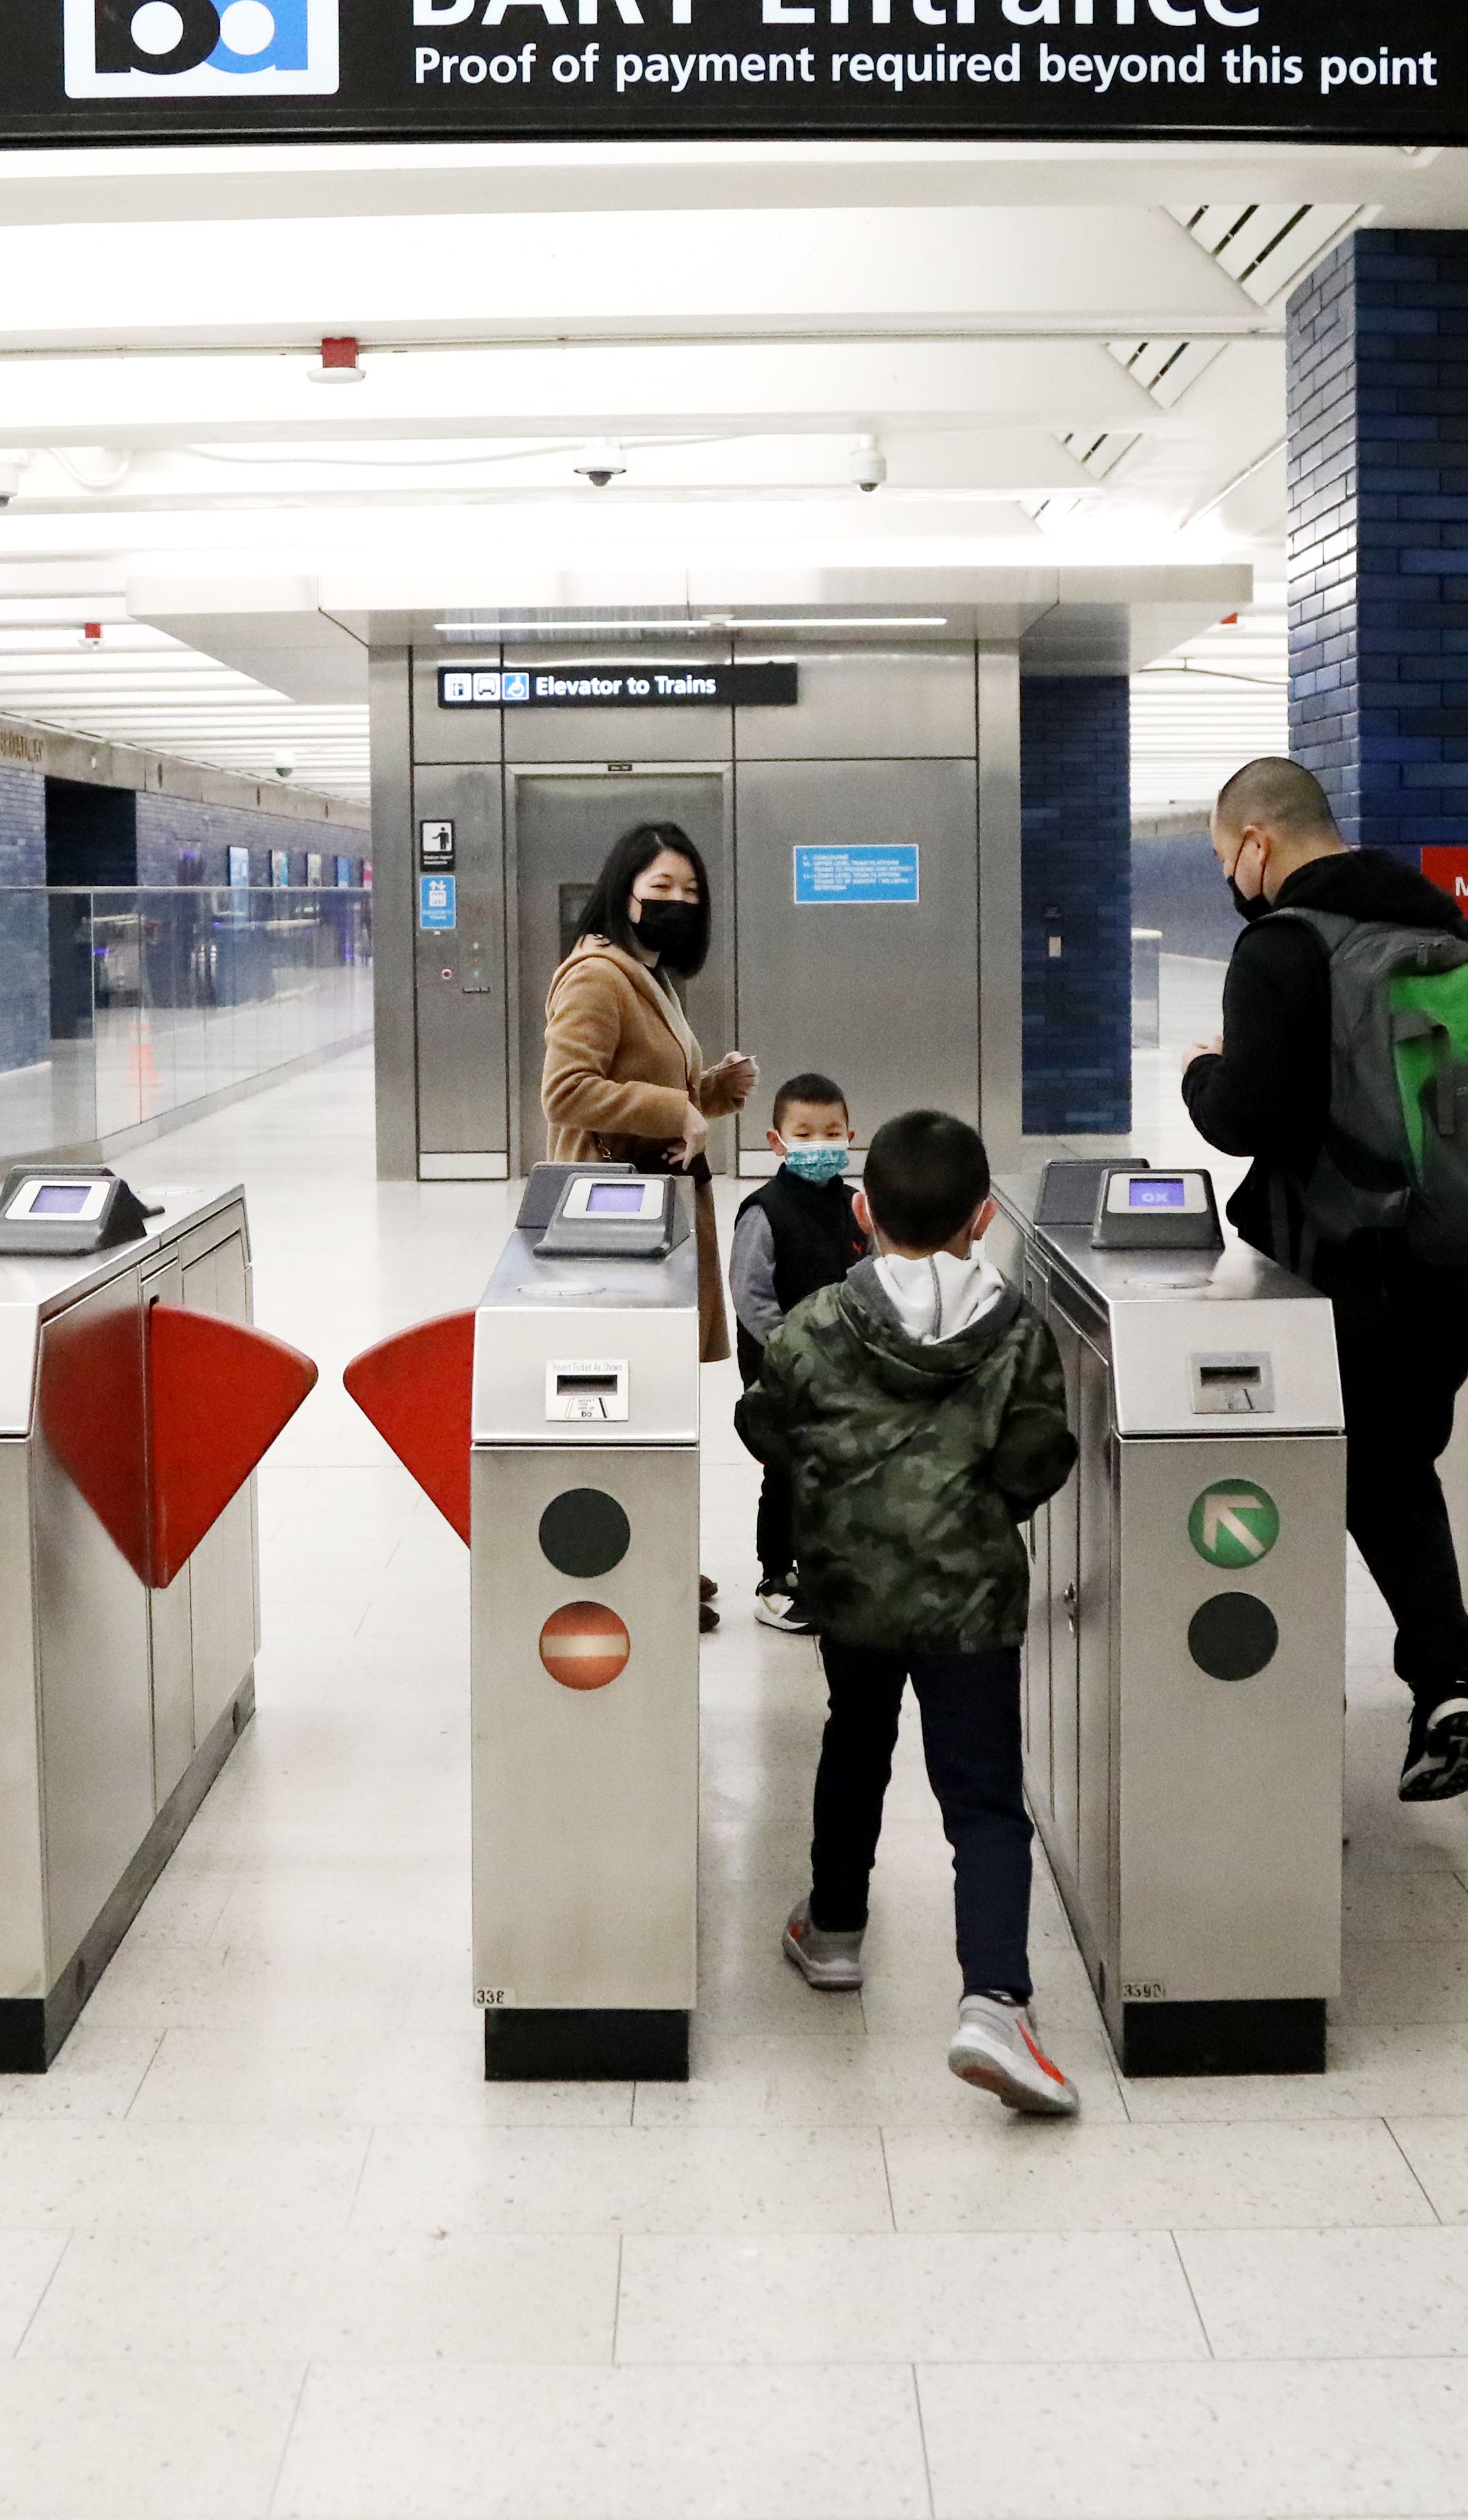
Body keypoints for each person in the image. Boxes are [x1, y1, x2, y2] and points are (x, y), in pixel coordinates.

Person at [737, 1108, 1085, 2117]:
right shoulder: (1016, 1330)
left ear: (860, 1210)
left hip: (852, 1592)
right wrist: (976, 1513)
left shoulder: (813, 1324)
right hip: (972, 1600)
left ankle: (835, 1932)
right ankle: (995, 2003)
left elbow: (766, 1426)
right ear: (984, 1220)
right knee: (982, 1800)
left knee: (855, 1744)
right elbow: (1036, 1457)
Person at [1179, 754, 1468, 1802]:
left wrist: (1200, 1073)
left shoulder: (1281, 947)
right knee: (1395, 1471)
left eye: (1229, 855)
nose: (1234, 874)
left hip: (1333, 1276)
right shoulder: (1447, 929)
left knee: (1308, 1479)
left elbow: (1245, 1118)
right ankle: (1443, 1680)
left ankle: (1280, 1697)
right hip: (1443, 1270)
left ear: (1258, 844)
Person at [539, 819, 756, 1626]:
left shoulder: (651, 976)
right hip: (615, 1226)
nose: (675, 902)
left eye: (688, 892)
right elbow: (565, 1091)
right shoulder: (597, 975)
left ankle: (659, 1557)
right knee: (625, 1396)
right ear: (623, 889)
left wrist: (709, 1092)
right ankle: (633, 1566)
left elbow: (644, 1092)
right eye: (659, 888)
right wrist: (674, 1103)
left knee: (655, 1396)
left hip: (657, 1211)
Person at [728, 1072, 866, 1636]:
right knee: (784, 1472)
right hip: (780, 1374)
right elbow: (750, 1295)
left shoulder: (858, 1205)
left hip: (846, 1367)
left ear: (851, 1136)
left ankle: (829, 1570)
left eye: (831, 1132)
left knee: (837, 1470)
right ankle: (775, 1580)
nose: (819, 1143)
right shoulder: (763, 1211)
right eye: (804, 1134)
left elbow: (873, 1277)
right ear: (776, 1141)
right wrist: (798, 1347)